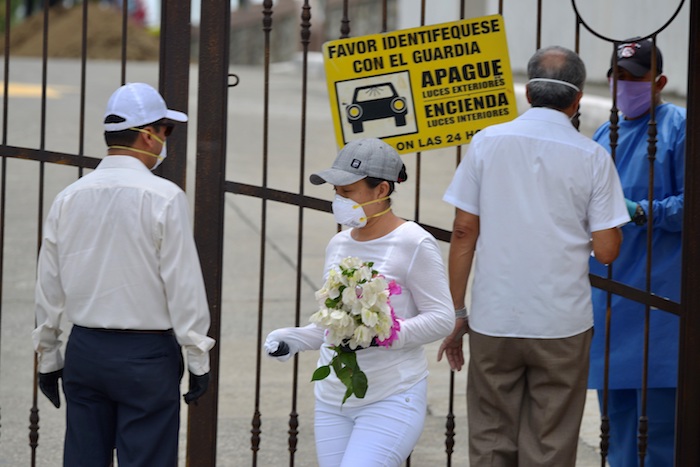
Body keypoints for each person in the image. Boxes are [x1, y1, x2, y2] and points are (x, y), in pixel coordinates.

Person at [437, 46, 629, 466]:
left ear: (527, 93)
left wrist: (457, 311)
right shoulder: (593, 157)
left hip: (495, 316)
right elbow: (607, 250)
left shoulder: (486, 143)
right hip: (562, 322)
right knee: (551, 441)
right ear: (578, 99)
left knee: (490, 437)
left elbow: (464, 230)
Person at [32, 82, 215, 466]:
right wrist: (197, 355)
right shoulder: (164, 197)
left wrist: (49, 355)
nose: (166, 139)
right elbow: (183, 285)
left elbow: (49, 284)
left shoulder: (69, 197)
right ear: (149, 135)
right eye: (166, 130)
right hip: (145, 357)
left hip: (85, 351)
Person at [264, 138, 455, 467]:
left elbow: (441, 318)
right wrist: (293, 338)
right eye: (335, 193)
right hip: (332, 399)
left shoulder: (413, 242)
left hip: (392, 396)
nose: (338, 200)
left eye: (347, 192)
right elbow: (336, 325)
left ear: (381, 190)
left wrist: (388, 333)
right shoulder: (338, 244)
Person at [588, 38, 684, 467]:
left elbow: (691, 204)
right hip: (610, 293)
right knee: (616, 415)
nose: (623, 84)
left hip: (661, 295)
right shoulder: (601, 133)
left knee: (660, 422)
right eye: (617, 76)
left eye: (634, 77)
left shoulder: (679, 129)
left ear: (659, 81)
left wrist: (645, 212)